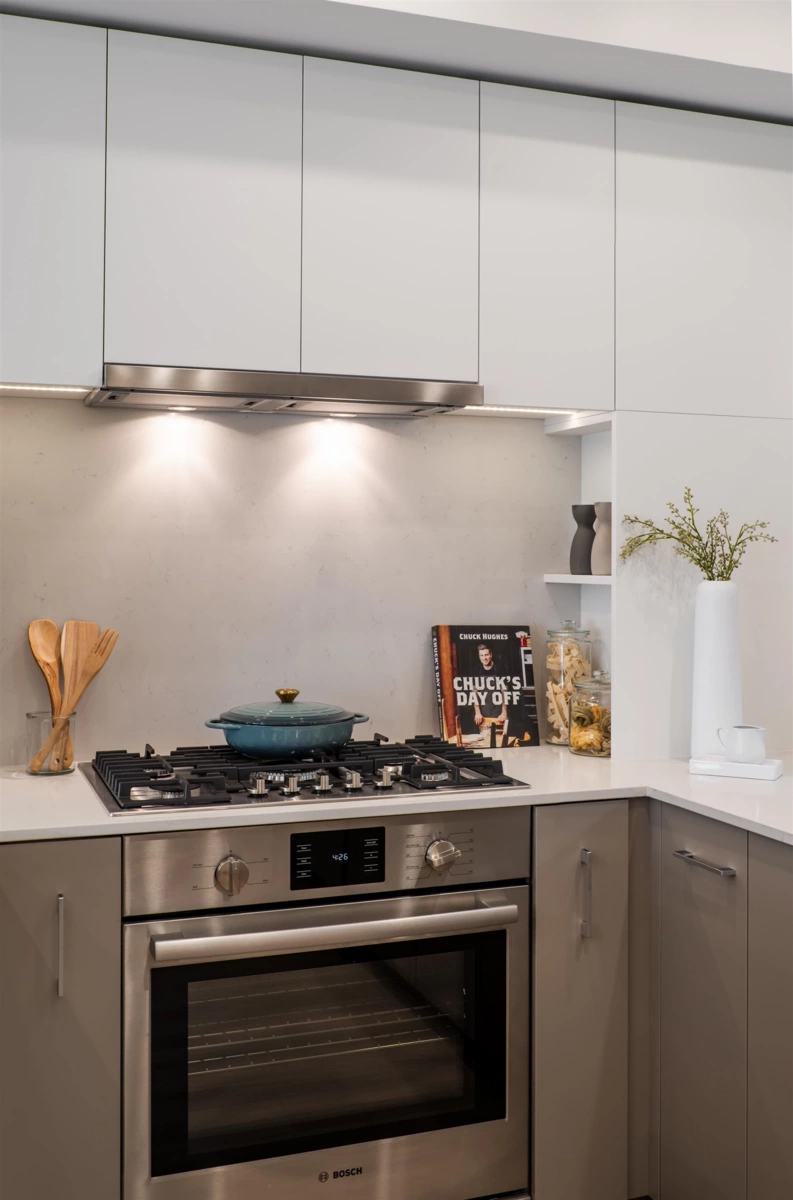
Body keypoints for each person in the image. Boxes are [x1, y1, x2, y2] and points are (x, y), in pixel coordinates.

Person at [472, 643, 508, 729]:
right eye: (482, 655)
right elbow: (474, 694)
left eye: (486, 655)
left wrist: (504, 713)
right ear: (479, 656)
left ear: (491, 655)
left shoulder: (500, 668)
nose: (484, 658)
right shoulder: (476, 670)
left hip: (498, 713)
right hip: (483, 713)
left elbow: (505, 693)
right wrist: (477, 713)